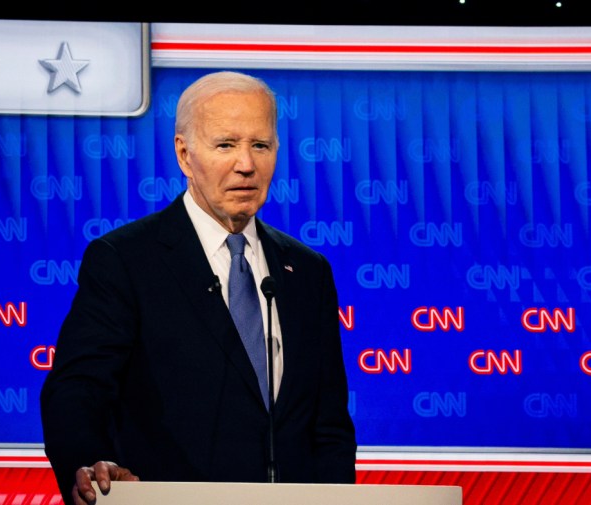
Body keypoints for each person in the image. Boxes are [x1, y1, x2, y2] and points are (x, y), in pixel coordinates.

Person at [40, 71, 357, 504]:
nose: (246, 164)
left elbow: (329, 426)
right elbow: (77, 389)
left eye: (260, 145)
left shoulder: (307, 270)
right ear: (185, 155)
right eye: (225, 144)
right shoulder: (126, 259)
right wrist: (88, 460)